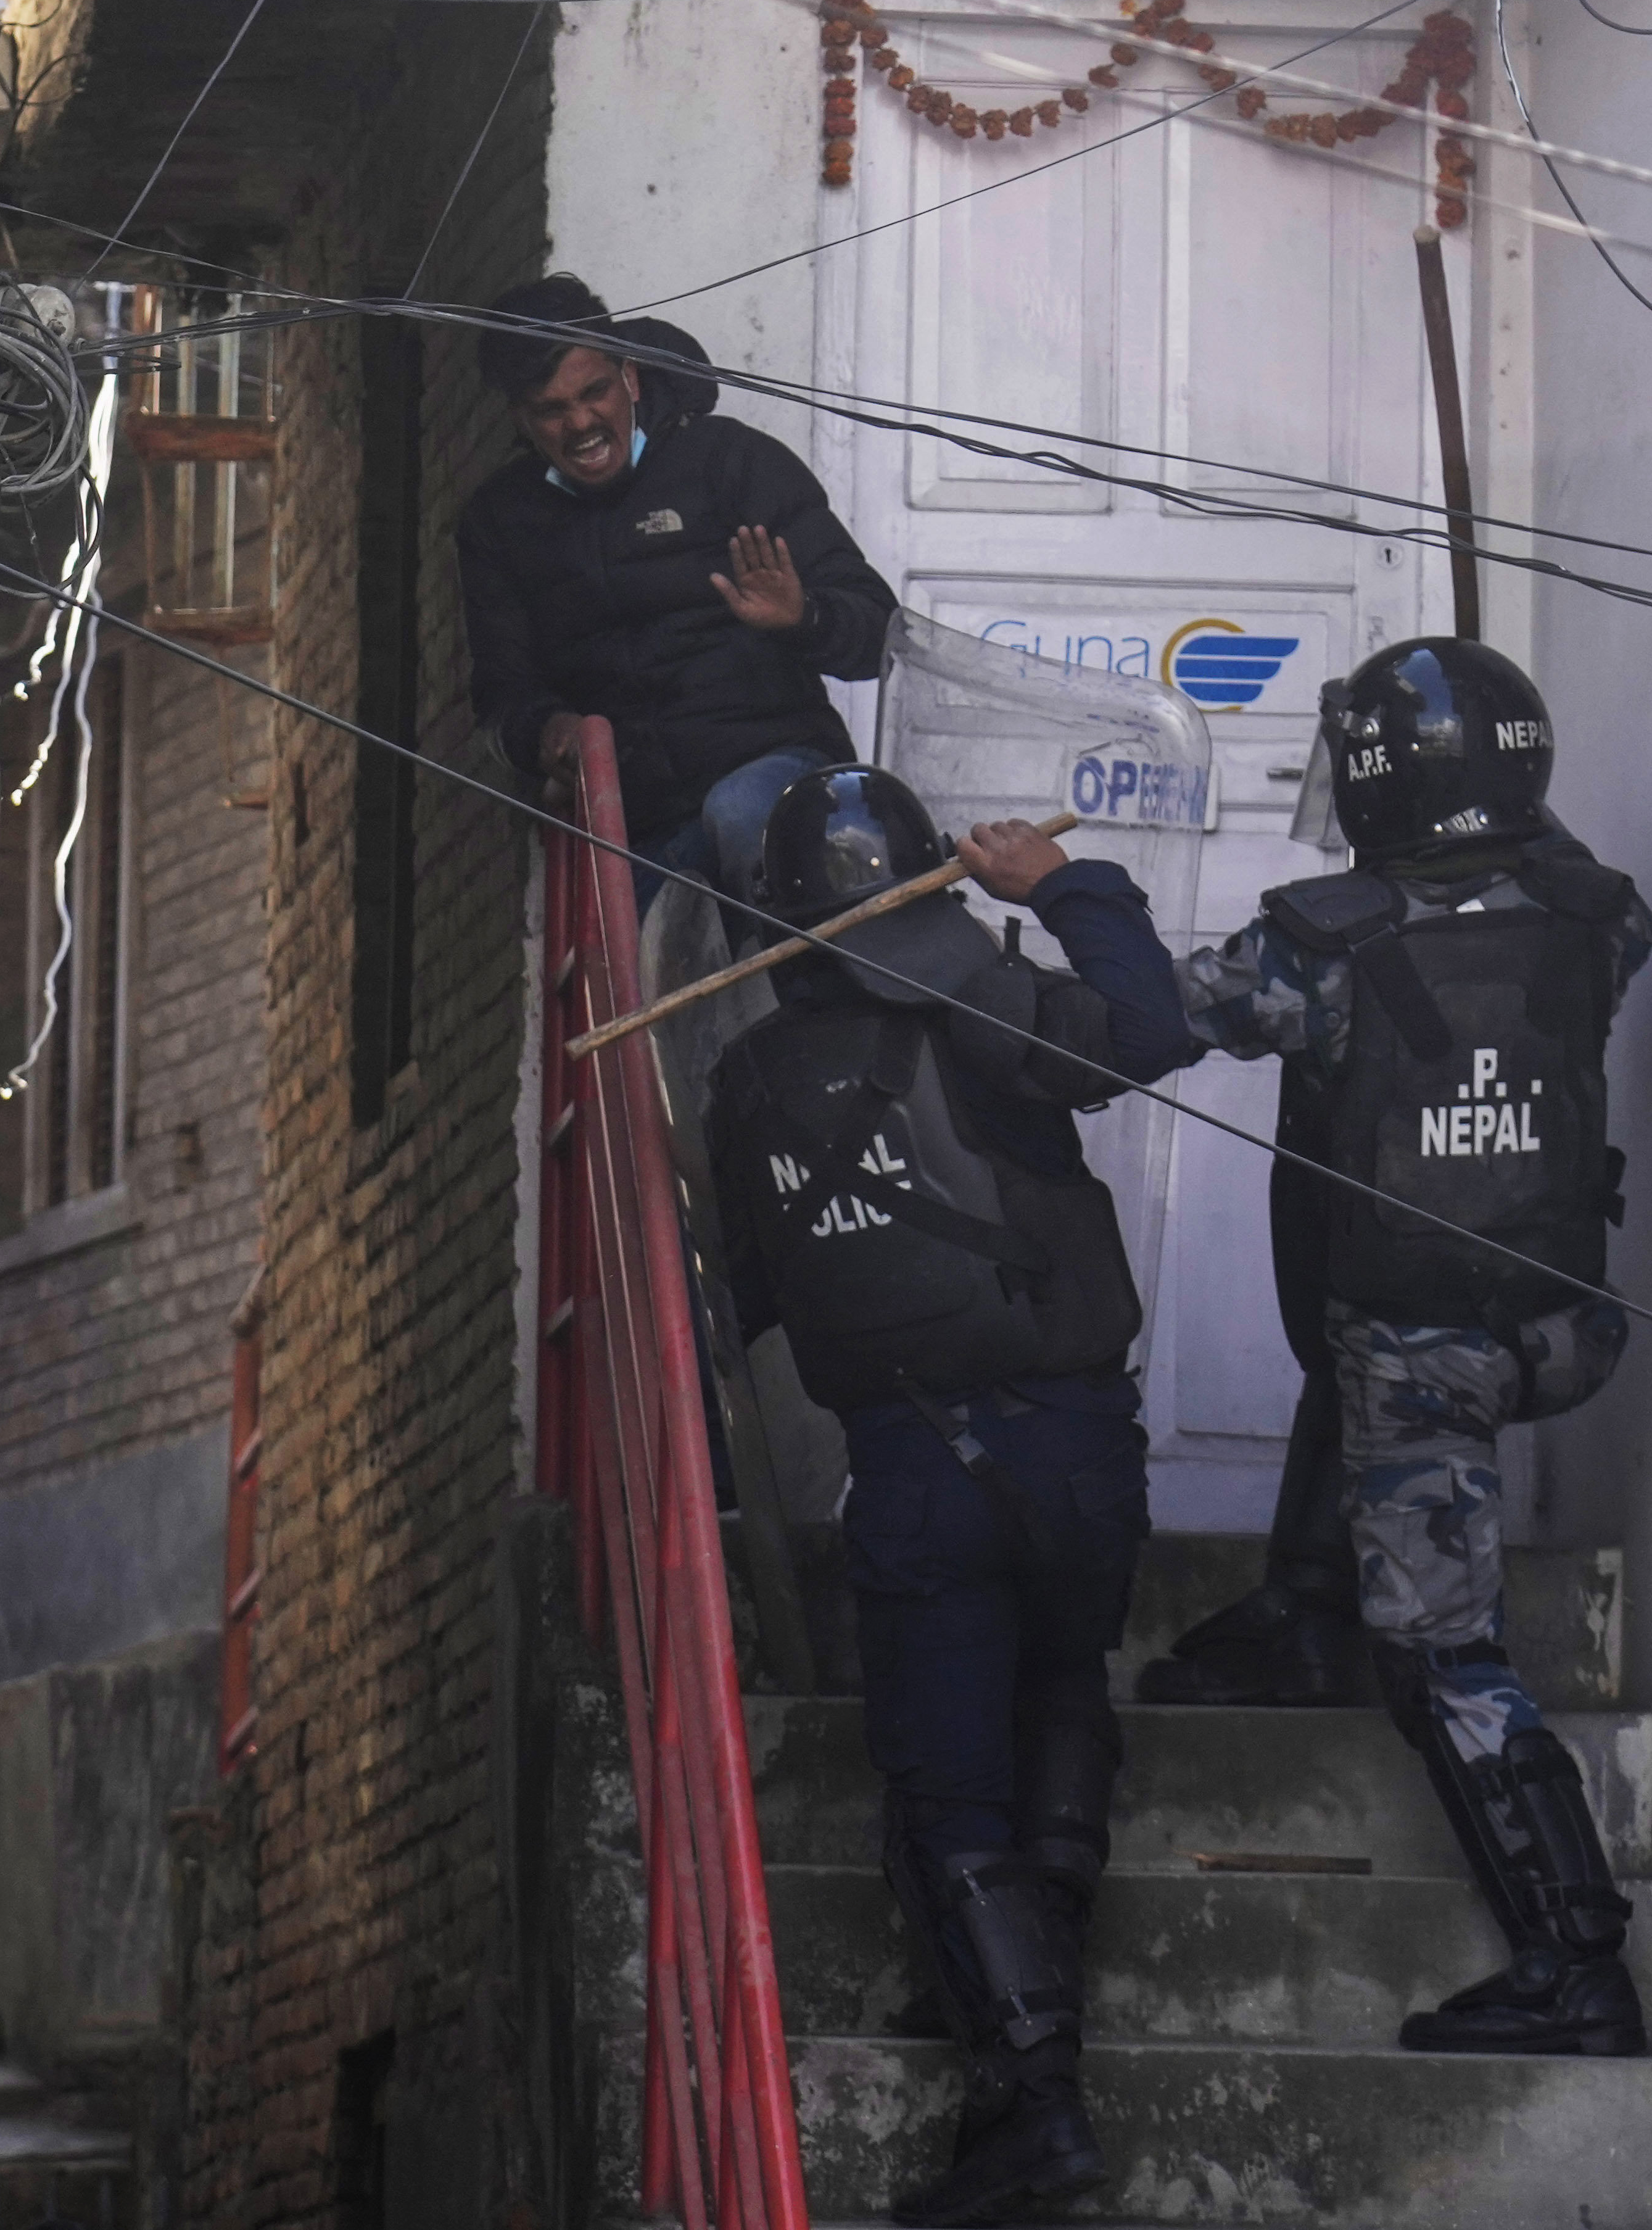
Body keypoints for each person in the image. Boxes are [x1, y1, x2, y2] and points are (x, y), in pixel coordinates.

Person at [1162, 639, 1652, 2056]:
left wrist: (1055, 899)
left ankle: (1575, 1965)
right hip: (1564, 1328)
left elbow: (1146, 1021)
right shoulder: (1596, 914)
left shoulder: (1313, 947)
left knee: (1444, 1661)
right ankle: (1304, 1601)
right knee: (1359, 1325)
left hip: (1422, 1355)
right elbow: (1517, 865)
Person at [706, 766, 1186, 2225]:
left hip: (916, 1462)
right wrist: (1061, 887)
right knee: (1060, 1697)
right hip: (1077, 1444)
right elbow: (1149, 1030)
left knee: (945, 1788)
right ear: (921, 874)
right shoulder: (987, 1008)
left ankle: (1032, 2101)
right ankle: (1027, 2058)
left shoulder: (741, 1082)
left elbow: (743, 1299)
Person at [459, 273, 898, 899]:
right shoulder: (499, 523)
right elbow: (501, 696)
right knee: (642, 953)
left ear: (630, 377)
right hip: (636, 822)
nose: (582, 423)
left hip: (776, 778)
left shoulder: (731, 463)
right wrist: (546, 733)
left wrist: (803, 617)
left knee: (740, 814)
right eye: (552, 411)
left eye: (595, 393)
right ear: (520, 419)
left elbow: (880, 635)